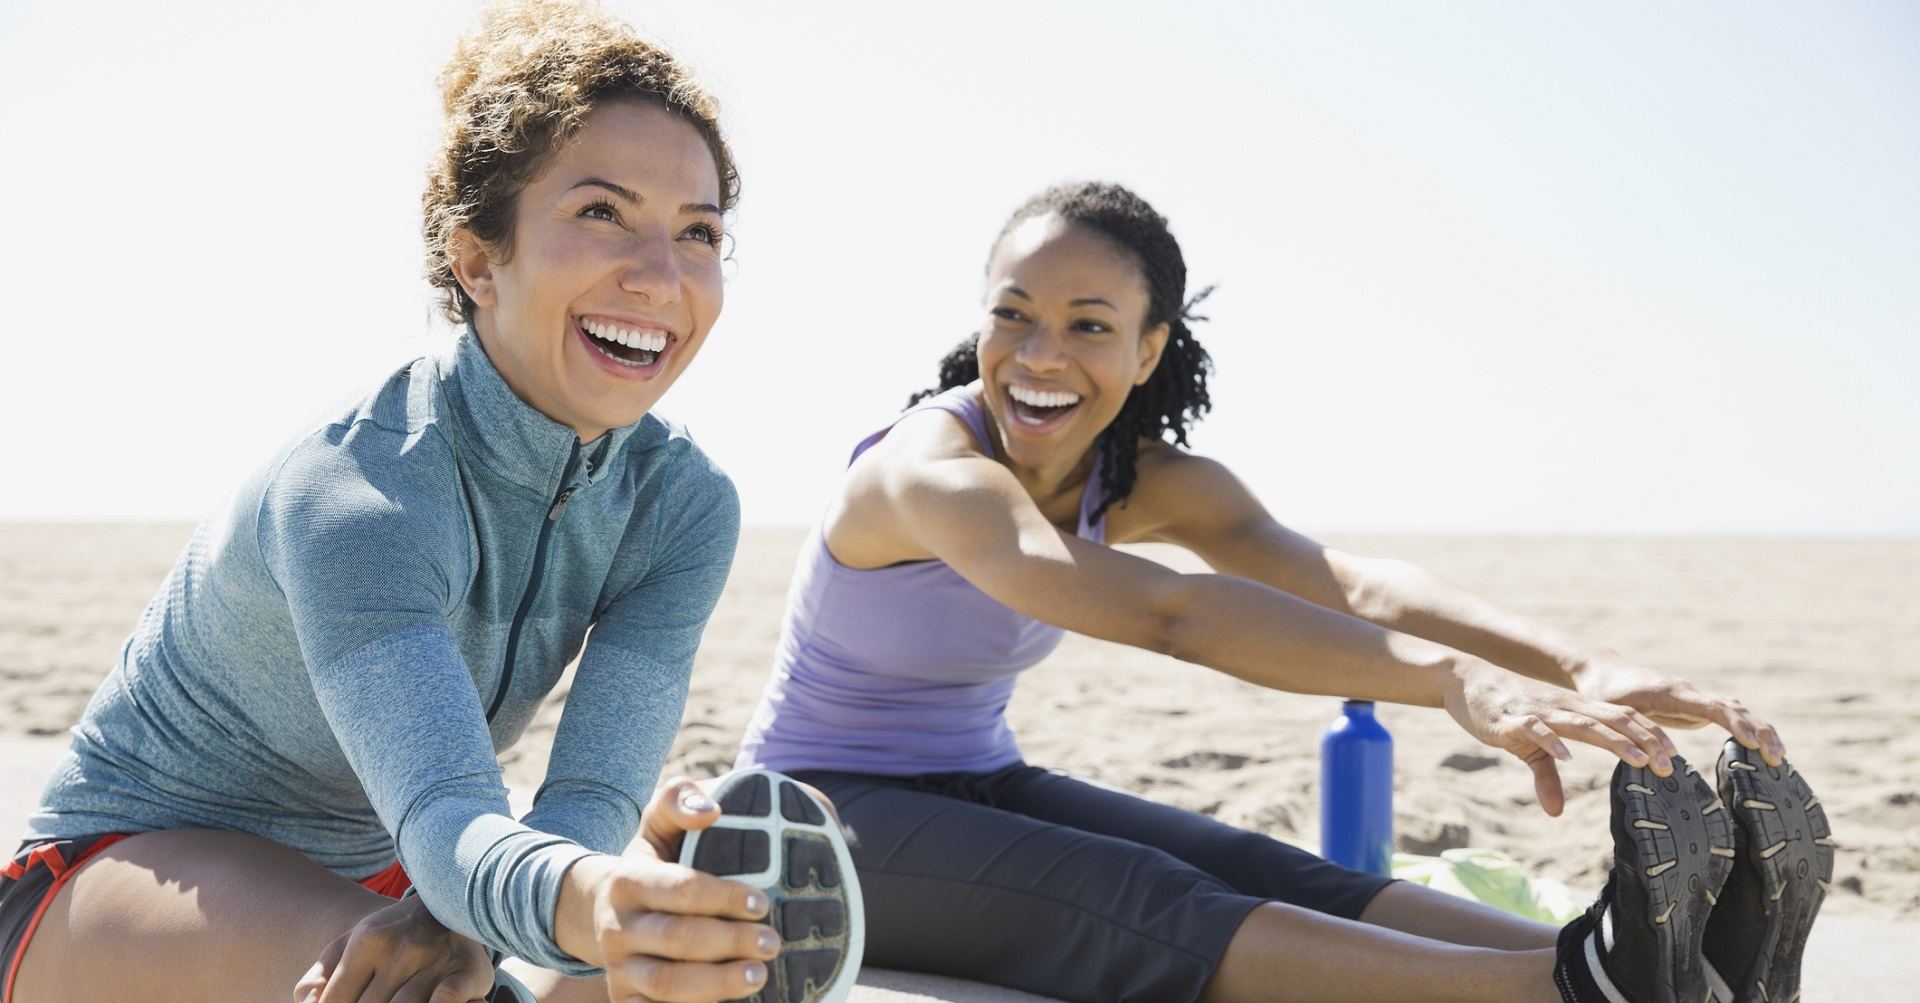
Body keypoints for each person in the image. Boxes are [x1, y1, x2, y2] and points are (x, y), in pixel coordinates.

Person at [733, 180, 1828, 1003]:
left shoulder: (1145, 480)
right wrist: (1451, 684)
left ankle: (1655, 960)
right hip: (815, 817)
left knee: (1255, 862)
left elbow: (1342, 579)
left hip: (978, 779)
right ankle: (1569, 986)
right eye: (1013, 314)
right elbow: (1173, 612)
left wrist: (1575, 665)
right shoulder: (929, 472)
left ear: (1152, 346)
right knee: (1138, 897)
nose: (1038, 354)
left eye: (1089, 325)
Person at [0, 3, 780, 1001]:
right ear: (476, 260)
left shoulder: (681, 507)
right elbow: (456, 818)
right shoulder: (356, 488)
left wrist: (595, 904)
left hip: (407, 879)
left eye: (699, 231)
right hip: (118, 879)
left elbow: (584, 796)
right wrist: (582, 906)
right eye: (600, 212)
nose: (661, 275)